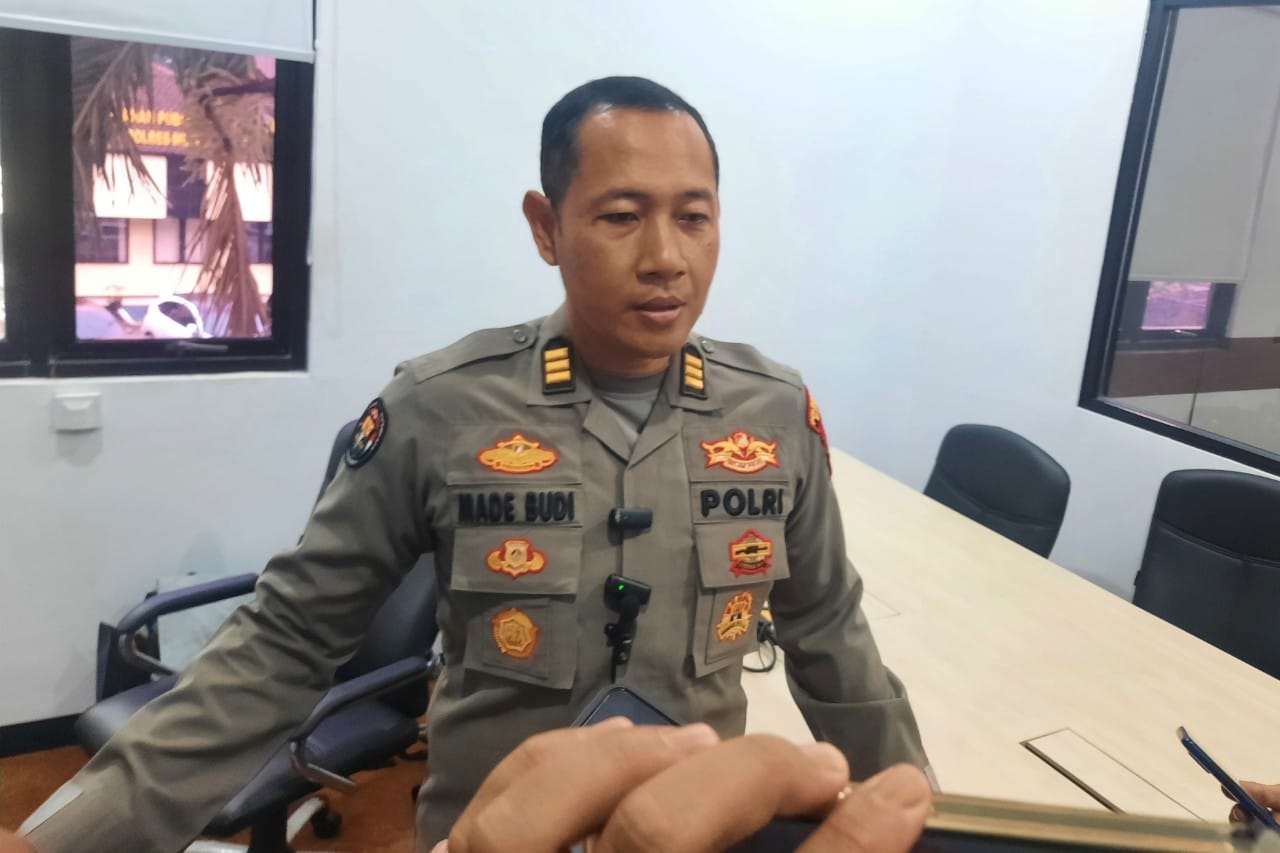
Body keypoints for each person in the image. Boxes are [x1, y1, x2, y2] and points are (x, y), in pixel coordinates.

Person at [20, 76, 928, 852]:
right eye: (622, 216)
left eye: (695, 218)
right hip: (488, 832)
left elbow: (829, 631)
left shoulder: (773, 413)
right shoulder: (441, 408)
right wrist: (65, 840)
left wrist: (913, 812)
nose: (666, 258)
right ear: (546, 226)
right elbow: (284, 642)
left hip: (693, 830)